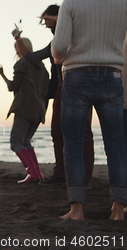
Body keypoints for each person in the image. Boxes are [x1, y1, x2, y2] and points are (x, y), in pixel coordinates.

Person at [51, 0, 127, 220]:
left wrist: (58, 59)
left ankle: (77, 210)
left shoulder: (71, 4)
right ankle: (118, 210)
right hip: (113, 74)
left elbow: (59, 46)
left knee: (73, 144)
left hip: (77, 75)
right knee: (116, 145)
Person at [13, 5, 95, 187]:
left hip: (81, 87)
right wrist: (18, 37)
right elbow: (31, 57)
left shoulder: (77, 36)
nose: (46, 24)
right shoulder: (55, 43)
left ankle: (85, 178)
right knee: (57, 132)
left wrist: (58, 18)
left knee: (83, 133)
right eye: (45, 21)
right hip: (60, 89)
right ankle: (60, 175)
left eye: (49, 20)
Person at [0, 38, 49, 183]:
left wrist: (2, 74)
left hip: (25, 107)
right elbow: (46, 91)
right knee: (26, 141)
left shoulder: (22, 64)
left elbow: (13, 86)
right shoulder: (43, 69)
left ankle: (33, 173)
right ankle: (37, 173)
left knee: (16, 142)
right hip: (39, 109)